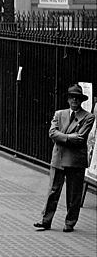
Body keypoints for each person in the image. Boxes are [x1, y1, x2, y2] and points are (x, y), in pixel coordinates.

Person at [34, 84, 95, 233]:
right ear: (68, 99)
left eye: (77, 98)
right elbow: (52, 133)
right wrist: (69, 137)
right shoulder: (59, 114)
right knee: (53, 191)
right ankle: (45, 221)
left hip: (75, 161)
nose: (74, 100)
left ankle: (70, 222)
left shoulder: (88, 117)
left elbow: (80, 138)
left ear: (81, 100)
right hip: (59, 159)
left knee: (74, 194)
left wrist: (61, 137)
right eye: (72, 97)